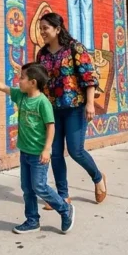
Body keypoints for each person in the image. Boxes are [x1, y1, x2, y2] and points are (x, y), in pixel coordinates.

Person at [0, 64, 76, 235]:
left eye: (22, 78)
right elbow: (3, 87)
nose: (18, 81)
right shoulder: (21, 96)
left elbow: (51, 127)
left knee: (39, 187)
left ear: (33, 82)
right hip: (25, 152)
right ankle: (32, 220)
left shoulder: (43, 102)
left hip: (38, 155)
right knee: (27, 188)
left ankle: (65, 209)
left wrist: (46, 149)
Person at [35, 12, 107, 210]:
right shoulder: (42, 54)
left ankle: (98, 177)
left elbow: (89, 77)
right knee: (56, 153)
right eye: (40, 29)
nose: (42, 32)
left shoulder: (75, 48)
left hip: (75, 107)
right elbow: (40, 83)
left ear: (57, 29)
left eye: (45, 28)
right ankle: (62, 196)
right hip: (51, 110)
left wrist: (90, 103)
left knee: (76, 151)